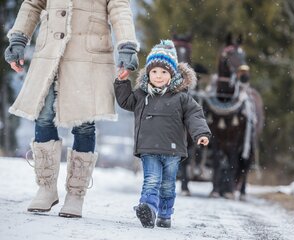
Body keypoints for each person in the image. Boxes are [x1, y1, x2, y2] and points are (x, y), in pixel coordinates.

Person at [4, 0, 139, 218]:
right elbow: (32, 3)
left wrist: (127, 46)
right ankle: (46, 188)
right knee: (44, 115)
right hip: (50, 52)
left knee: (84, 123)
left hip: (89, 54)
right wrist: (19, 38)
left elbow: (119, 7)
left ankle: (76, 194)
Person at [114, 40, 211, 228]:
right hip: (148, 147)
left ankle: (165, 213)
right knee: (151, 181)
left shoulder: (181, 97)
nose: (158, 76)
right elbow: (125, 101)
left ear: (172, 74)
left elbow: (195, 115)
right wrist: (122, 81)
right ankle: (148, 208)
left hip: (173, 151)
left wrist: (201, 133)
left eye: (164, 72)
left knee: (167, 185)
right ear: (148, 73)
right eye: (154, 72)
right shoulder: (142, 95)